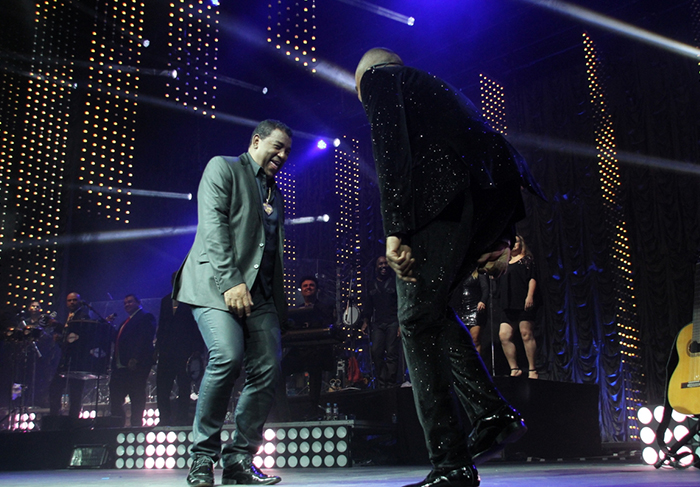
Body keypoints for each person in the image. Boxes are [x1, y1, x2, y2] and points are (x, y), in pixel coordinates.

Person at [355, 48, 544, 487]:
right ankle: (492, 415)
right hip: (489, 193)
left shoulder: (381, 82)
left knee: (416, 319)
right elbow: (477, 146)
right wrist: (500, 234)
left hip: (447, 198)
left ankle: (450, 461)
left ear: (363, 78)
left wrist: (395, 230)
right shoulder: (431, 90)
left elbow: (392, 155)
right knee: (432, 311)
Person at [173, 119, 292, 487]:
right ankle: (201, 459)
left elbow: (269, 254)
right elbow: (213, 227)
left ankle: (239, 460)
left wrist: (277, 306)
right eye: (277, 146)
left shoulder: (275, 194)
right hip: (213, 285)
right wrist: (231, 282)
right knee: (226, 356)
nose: (283, 156)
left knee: (268, 368)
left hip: (260, 296)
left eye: (288, 151)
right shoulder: (222, 167)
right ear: (256, 141)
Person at [156, 276, 205, 426]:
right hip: (166, 352)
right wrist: (158, 348)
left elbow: (198, 326)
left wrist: (197, 350)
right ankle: (164, 418)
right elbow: (162, 325)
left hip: (185, 352)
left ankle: (182, 417)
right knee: (163, 386)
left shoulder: (192, 300)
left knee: (184, 386)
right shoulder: (165, 300)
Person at [48, 292, 98, 419]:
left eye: (74, 300)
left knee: (75, 391)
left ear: (79, 301)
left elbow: (77, 336)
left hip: (77, 360)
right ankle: (55, 415)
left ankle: (72, 419)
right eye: (69, 300)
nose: (71, 303)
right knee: (55, 387)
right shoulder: (68, 316)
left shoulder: (82, 315)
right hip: (66, 359)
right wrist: (59, 337)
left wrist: (59, 328)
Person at [109, 294, 156, 427]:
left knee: (136, 395)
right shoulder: (125, 322)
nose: (127, 305)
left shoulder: (145, 317)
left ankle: (136, 425)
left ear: (138, 302)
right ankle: (118, 423)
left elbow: (144, 339)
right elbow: (118, 341)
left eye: (130, 302)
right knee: (116, 395)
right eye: (125, 303)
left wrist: (135, 357)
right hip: (121, 366)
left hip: (135, 365)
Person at [497, 235, 539, 379]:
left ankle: (532, 369)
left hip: (522, 300)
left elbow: (532, 279)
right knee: (504, 335)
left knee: (526, 334)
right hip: (508, 303)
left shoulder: (526, 260)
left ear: (522, 244)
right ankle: (514, 368)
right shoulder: (505, 262)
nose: (515, 244)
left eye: (517, 242)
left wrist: (530, 296)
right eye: (512, 242)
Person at [361, 256, 400, 388]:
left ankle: (391, 382)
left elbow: (401, 303)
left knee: (391, 352)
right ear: (376, 267)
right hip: (377, 323)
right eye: (381, 264)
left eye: (386, 263)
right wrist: (365, 321)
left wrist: (401, 324)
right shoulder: (371, 284)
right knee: (376, 351)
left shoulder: (395, 282)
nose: (383, 266)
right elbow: (368, 305)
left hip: (393, 322)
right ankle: (382, 381)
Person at [451, 273, 490, 354]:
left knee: (475, 339)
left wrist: (483, 301)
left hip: (475, 307)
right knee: (462, 340)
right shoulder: (461, 271)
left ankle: (477, 364)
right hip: (461, 307)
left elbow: (485, 288)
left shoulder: (479, 272)